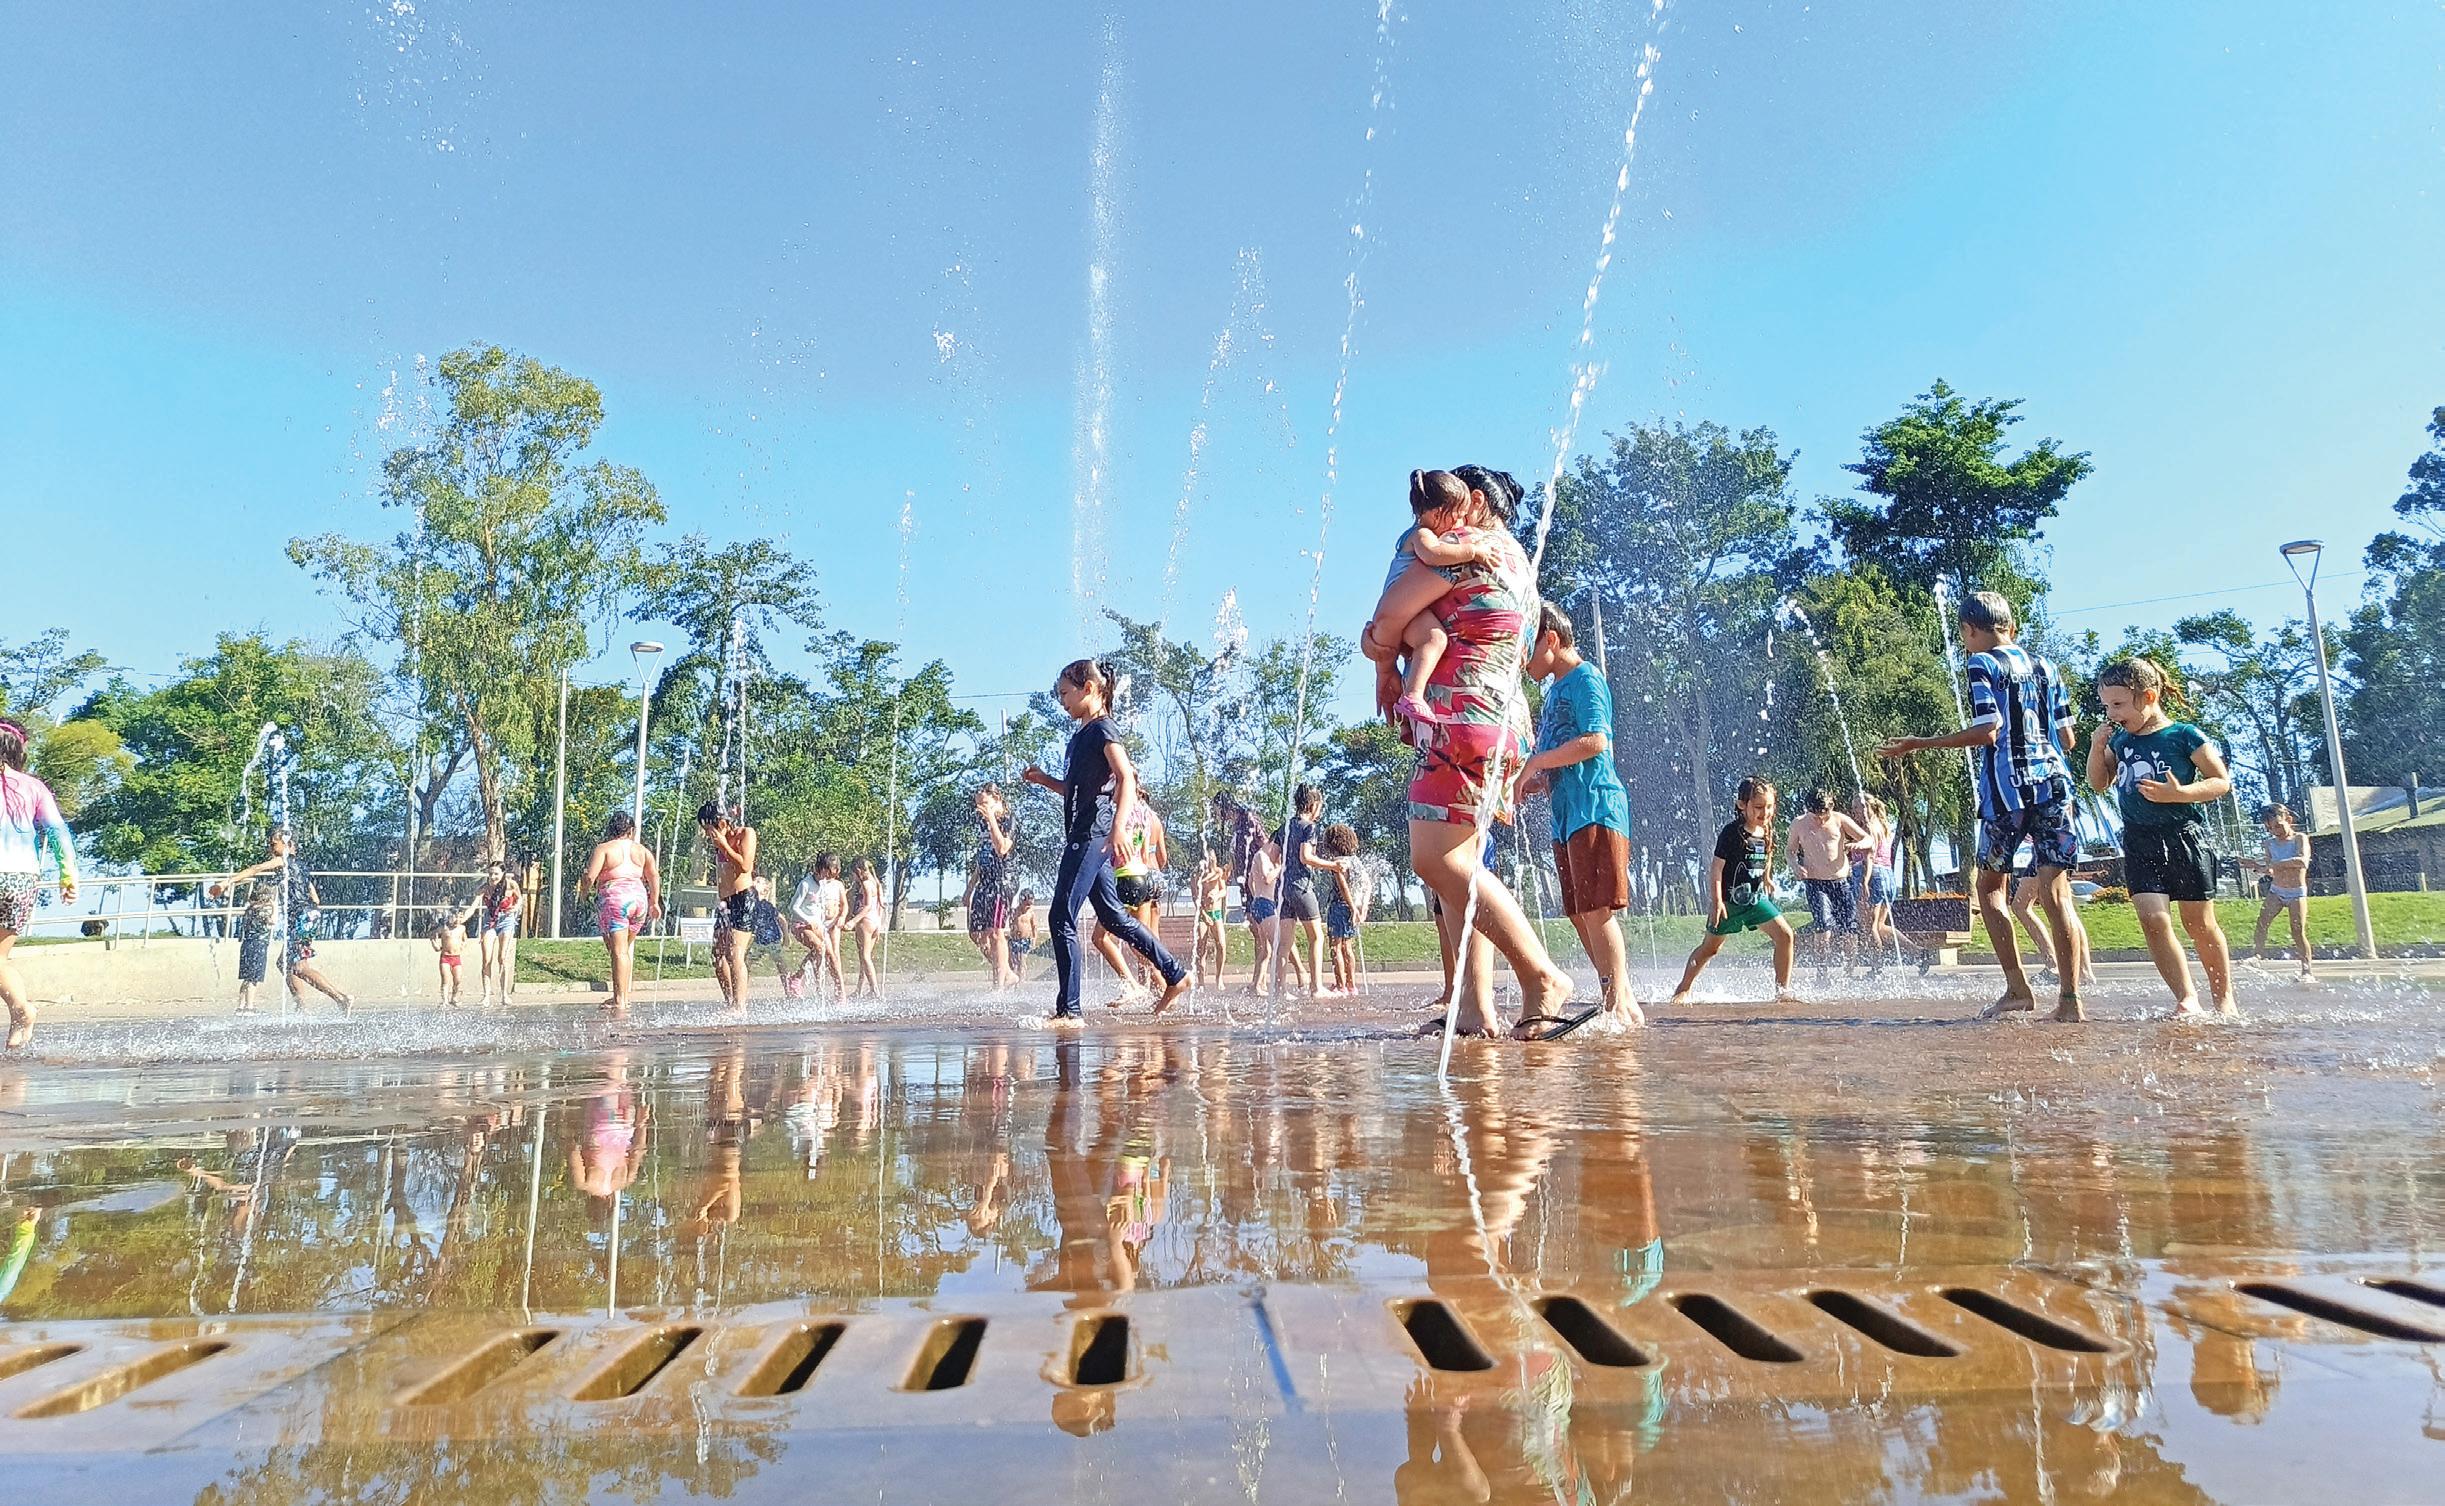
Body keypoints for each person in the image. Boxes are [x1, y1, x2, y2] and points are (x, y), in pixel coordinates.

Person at [1360, 462, 1574, 1038]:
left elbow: (1388, 615)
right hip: (1501, 723)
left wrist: (1380, 653)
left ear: (1474, 502)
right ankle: (1476, 1008)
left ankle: (1541, 975)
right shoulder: (1519, 564)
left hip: (1461, 721)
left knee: (1434, 862)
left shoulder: (1461, 546)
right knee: (1464, 868)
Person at [1876, 590, 2086, 1021]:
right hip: (2055, 788)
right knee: (2057, 895)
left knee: (1989, 889)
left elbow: (1988, 730)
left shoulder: (1981, 664)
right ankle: (2070, 1001)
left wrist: (1918, 744)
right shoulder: (2047, 666)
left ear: (1969, 630)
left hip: (2006, 794)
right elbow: (2068, 738)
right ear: (2012, 627)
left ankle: (2018, 989)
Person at [1019, 658, 1192, 1023]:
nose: (1061, 701)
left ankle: (1069, 1011)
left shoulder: (1102, 729)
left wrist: (1118, 828)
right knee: (1113, 917)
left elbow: (1125, 777)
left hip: (1091, 836)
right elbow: (1076, 790)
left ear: (1089, 689)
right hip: (1085, 835)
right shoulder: (1080, 737)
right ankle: (1176, 975)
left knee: (1060, 917)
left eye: (1065, 693)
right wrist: (1044, 780)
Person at [2088, 657, 2238, 1017]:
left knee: (2199, 924)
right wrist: (2096, 747)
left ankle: (2224, 999)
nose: (2112, 714)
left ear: (2149, 697)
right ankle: (2187, 998)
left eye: (2118, 704)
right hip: (2139, 840)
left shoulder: (2184, 735)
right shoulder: (2120, 740)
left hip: (2184, 837)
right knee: (2153, 919)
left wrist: (2180, 794)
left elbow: (2221, 782)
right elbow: (2099, 782)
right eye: (2106, 706)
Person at [1519, 603, 1642, 1029]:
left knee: (1597, 909)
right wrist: (1531, 782)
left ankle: (1616, 1002)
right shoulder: (1554, 691)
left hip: (1595, 805)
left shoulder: (1586, 678)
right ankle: (1621, 998)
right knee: (1578, 911)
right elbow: (1559, 759)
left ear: (1550, 640)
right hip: (1566, 813)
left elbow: (1595, 741)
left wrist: (1536, 763)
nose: (1522, 661)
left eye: (1526, 648)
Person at [1384, 468, 1512, 734]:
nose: (1460, 523)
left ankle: (1407, 717)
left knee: (1419, 650)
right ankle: (1413, 696)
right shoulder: (1422, 535)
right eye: (1457, 515)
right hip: (1407, 610)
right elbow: (1434, 554)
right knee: (1435, 640)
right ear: (1437, 513)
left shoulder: (1419, 532)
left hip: (1407, 609)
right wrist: (1473, 551)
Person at [1668, 777, 1800, 1005]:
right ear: (1742, 805)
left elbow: (1767, 854)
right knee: (1711, 948)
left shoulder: (1767, 830)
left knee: (1785, 935)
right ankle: (1683, 988)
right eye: (1758, 807)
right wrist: (1717, 901)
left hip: (1756, 900)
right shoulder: (1732, 833)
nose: (1765, 812)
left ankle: (1782, 991)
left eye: (1769, 806)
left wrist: (1767, 878)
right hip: (1728, 903)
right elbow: (1716, 868)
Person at [211, 828, 352, 1014]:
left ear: (287, 844)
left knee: (299, 967)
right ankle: (301, 1006)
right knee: (285, 963)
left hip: (302, 918)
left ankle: (340, 998)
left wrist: (225, 883)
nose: (270, 849)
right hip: (307, 916)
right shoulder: (301, 866)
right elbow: (315, 898)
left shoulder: (282, 860)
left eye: (273, 844)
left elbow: (255, 869)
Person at [0, 719, 77, 1051]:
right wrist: (68, 875)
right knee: (0, 958)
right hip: (22, 878)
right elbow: (58, 832)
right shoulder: (34, 787)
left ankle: (22, 1010)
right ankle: (19, 1019)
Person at [1786, 789, 1872, 983]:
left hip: (1841, 881)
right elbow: (1790, 851)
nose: (1820, 820)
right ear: (1808, 809)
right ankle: (1822, 973)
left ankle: (1849, 972)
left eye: (1824, 815)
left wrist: (1859, 845)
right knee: (1823, 926)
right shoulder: (1799, 823)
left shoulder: (1840, 820)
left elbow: (1868, 838)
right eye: (1815, 816)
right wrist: (1795, 866)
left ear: (1831, 808)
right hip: (1815, 883)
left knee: (1849, 927)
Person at [581, 809, 661, 1016]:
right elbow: (653, 875)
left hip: (615, 900)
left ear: (610, 829)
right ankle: (623, 995)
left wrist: (583, 892)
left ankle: (620, 999)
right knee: (623, 950)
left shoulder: (604, 849)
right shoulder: (642, 851)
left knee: (618, 951)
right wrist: (654, 902)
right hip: (639, 900)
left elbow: (590, 876)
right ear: (631, 830)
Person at [1848, 793, 1929, 974]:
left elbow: (1869, 857)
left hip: (1871, 876)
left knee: (1869, 928)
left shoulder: (1868, 828)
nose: (1855, 812)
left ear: (1869, 808)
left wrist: (1864, 882)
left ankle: (1876, 969)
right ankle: (1919, 953)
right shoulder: (1882, 826)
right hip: (1887, 876)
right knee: (1879, 926)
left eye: (1858, 808)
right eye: (1853, 809)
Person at [1099, 798, 1170, 1003]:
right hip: (1147, 876)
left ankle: (1150, 983)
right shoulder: (1148, 816)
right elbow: (1157, 857)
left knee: (1102, 938)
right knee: (1145, 937)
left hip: (1126, 878)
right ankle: (1159, 987)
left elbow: (1110, 846)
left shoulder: (1121, 814)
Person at [1272, 784, 1338, 1000]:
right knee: (1316, 937)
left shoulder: (1285, 827)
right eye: (1320, 806)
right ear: (1313, 805)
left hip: (1283, 889)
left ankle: (1280, 990)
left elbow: (1273, 855)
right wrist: (1333, 866)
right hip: (1301, 886)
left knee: (1284, 943)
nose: (1320, 810)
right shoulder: (1309, 827)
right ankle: (1316, 987)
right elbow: (1306, 857)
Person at [2244, 802, 2316, 981]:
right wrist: (2257, 866)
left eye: (2278, 826)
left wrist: (2277, 864)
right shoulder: (2270, 843)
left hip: (2296, 892)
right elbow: (2271, 869)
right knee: (2262, 922)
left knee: (2297, 931)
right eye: (2270, 828)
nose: (2275, 831)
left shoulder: (2299, 838)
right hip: (2276, 890)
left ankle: (2307, 971)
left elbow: (2302, 861)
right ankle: (2257, 955)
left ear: (2288, 820)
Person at [698, 802, 759, 1013]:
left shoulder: (746, 834)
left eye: (709, 830)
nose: (708, 835)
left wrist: (724, 845)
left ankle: (739, 1007)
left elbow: (745, 866)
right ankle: (730, 1000)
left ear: (722, 824)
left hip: (744, 899)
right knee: (717, 955)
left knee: (735, 954)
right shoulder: (719, 839)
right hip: (725, 903)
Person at [964, 785, 1018, 990]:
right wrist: (970, 888)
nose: (980, 809)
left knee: (996, 932)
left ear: (997, 799)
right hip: (985, 881)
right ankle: (1007, 972)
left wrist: (992, 820)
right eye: (978, 805)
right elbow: (983, 857)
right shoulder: (983, 823)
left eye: (984, 804)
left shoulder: (1008, 819)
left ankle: (999, 986)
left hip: (1003, 880)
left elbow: (1002, 848)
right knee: (976, 934)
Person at [1320, 823, 1369, 996]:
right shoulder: (1356, 862)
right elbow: (1367, 885)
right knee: (1348, 947)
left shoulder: (1338, 862)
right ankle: (1351, 985)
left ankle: (1341, 985)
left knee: (1335, 946)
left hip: (1339, 906)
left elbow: (1342, 887)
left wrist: (1352, 907)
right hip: (1351, 907)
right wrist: (1361, 907)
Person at [789, 854, 847, 1003]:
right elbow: (793, 907)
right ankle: (810, 986)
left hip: (817, 926)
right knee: (819, 948)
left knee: (832, 956)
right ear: (819, 868)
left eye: (831, 875)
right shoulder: (805, 884)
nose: (828, 878)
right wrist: (808, 920)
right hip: (801, 924)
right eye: (827, 873)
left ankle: (840, 993)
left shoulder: (822, 884)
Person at [472, 859, 522, 1006]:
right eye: (490, 874)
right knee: (486, 959)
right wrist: (463, 917)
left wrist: (516, 908)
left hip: (506, 920)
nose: (493, 877)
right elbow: (474, 905)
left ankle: (504, 994)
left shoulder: (511, 885)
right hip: (490, 921)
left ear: (503, 873)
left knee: (502, 958)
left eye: (496, 874)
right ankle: (486, 995)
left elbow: (519, 898)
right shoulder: (485, 888)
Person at [1242, 835, 1282, 996]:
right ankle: (1279, 987)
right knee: (1278, 946)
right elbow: (1267, 878)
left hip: (1260, 903)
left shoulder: (1258, 857)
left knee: (1266, 950)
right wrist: (1281, 867)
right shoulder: (1263, 856)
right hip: (1265, 905)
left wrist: (1256, 897)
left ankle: (1257, 985)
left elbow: (1250, 881)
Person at [846, 857, 884, 998]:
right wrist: (879, 925)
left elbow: (867, 906)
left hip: (865, 921)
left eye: (853, 873)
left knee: (865, 957)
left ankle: (875, 990)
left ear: (858, 870)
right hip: (874, 921)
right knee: (864, 957)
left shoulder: (867, 884)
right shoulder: (876, 883)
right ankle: (859, 990)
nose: (853, 877)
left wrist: (853, 921)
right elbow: (880, 906)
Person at [1192, 853, 1230, 990]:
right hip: (1202, 914)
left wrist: (1216, 895)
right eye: (1207, 859)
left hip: (1216, 913)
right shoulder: (1197, 876)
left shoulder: (1218, 872)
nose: (1210, 862)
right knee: (1201, 948)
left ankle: (1219, 977)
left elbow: (1223, 890)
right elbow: (1195, 898)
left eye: (1212, 860)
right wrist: (1203, 914)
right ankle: (1201, 982)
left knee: (1221, 945)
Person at [431, 906, 469, 1007]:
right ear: (449, 917)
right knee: (445, 979)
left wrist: (464, 944)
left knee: (458, 979)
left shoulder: (462, 928)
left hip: (456, 957)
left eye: (460, 917)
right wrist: (435, 944)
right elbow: (432, 935)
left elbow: (465, 938)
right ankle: (445, 1000)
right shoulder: (444, 928)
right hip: (445, 958)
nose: (458, 920)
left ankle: (454, 997)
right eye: (455, 917)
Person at [1007, 890, 1042, 982]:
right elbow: (1011, 923)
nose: (1028, 907)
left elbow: (1034, 927)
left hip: (1025, 940)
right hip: (1014, 940)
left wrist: (1034, 939)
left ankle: (1021, 981)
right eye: (1026, 904)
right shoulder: (1015, 911)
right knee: (1014, 963)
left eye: (1030, 905)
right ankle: (1014, 980)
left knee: (1022, 961)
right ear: (1021, 901)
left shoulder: (1030, 913)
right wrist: (1012, 932)